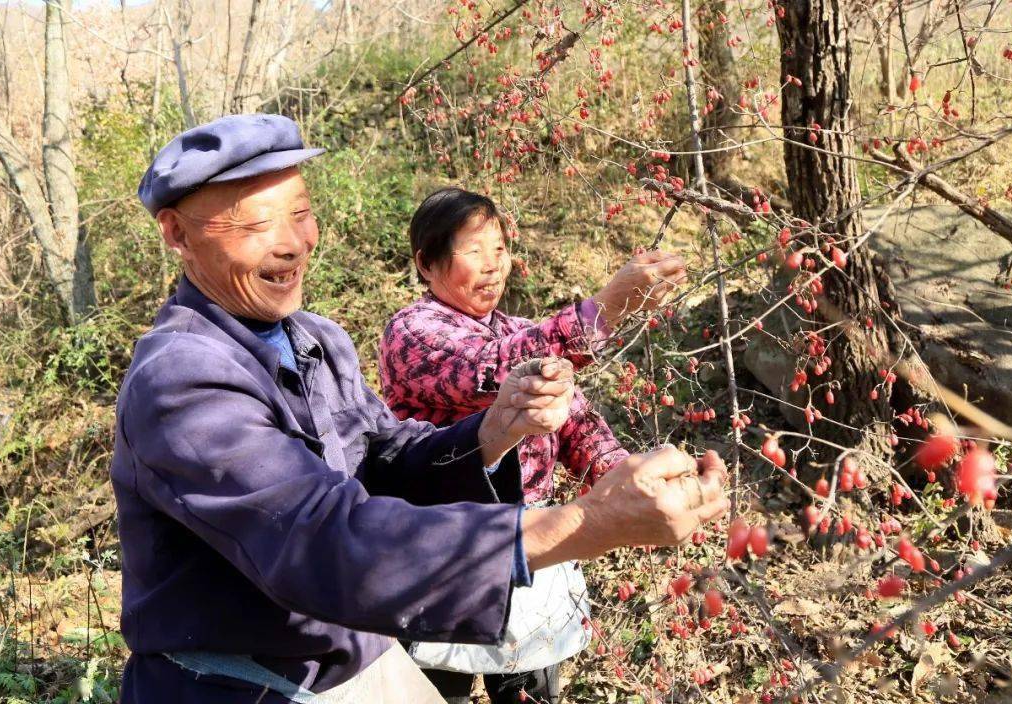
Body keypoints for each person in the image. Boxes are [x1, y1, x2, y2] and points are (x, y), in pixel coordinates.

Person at [111, 113, 730, 704]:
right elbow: (321, 540)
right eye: (256, 226)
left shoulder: (314, 340)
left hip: (355, 652)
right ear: (177, 234)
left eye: (301, 214)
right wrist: (584, 524)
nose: (294, 245)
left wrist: (493, 432)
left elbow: (382, 455)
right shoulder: (182, 379)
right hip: (246, 683)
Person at [378, 188, 688, 703]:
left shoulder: (522, 330)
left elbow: (578, 424)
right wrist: (603, 310)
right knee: (436, 687)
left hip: (535, 534)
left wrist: (627, 481)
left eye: (499, 249)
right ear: (426, 264)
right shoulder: (411, 333)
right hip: (449, 537)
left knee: (531, 687)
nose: (492, 266)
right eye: (473, 251)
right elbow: (492, 371)